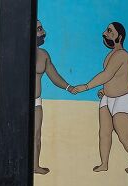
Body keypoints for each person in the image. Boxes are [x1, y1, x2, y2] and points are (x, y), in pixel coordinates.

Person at [73, 22, 128, 174]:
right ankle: (104, 163)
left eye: (110, 31)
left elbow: (107, 74)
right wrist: (104, 90)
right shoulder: (111, 54)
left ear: (120, 36)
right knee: (104, 133)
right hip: (107, 98)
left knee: (124, 137)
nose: (105, 33)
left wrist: (85, 86)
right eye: (106, 31)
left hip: (124, 99)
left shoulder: (123, 55)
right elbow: (113, 78)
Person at [34, 20, 77, 174]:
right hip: (17, 102)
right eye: (39, 28)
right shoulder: (17, 51)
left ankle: (35, 165)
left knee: (36, 135)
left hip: (36, 102)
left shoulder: (43, 55)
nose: (43, 31)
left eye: (42, 28)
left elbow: (54, 76)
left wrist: (68, 87)